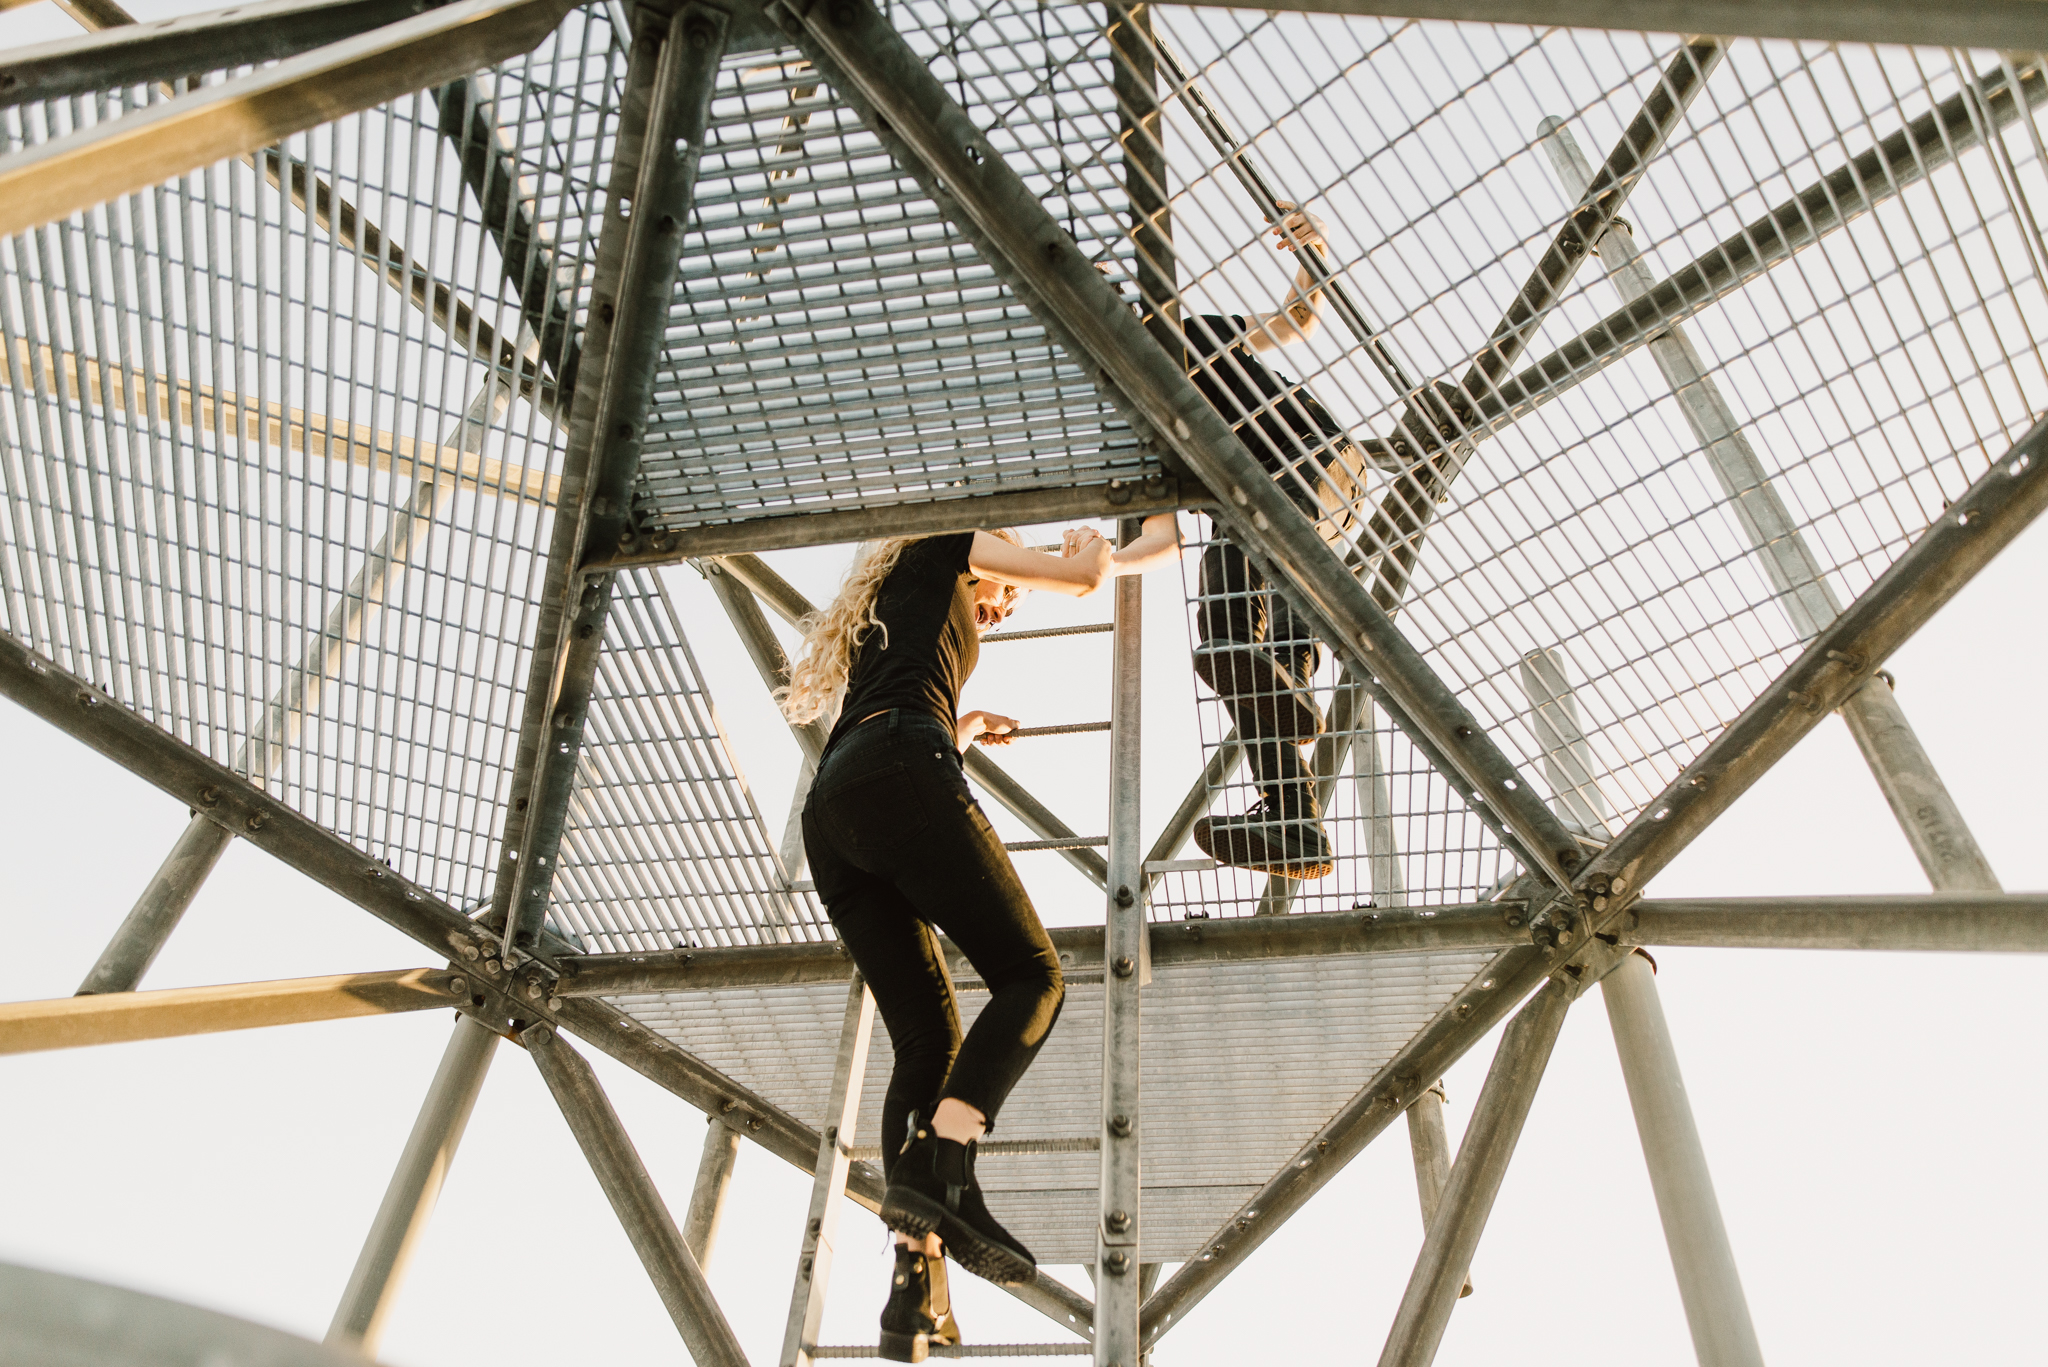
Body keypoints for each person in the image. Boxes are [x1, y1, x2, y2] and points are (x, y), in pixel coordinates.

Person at [782, 517, 1181, 1362]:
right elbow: (1077, 581)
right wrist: (1088, 555)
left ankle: (911, 1282)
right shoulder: (942, 541)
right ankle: (946, 1164)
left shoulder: (902, 604)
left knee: (928, 1038)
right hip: (895, 764)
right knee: (1032, 976)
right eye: (1000, 596)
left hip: (837, 809)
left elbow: (891, 703)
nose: (1002, 609)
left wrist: (959, 732)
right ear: (982, 551)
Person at [1177, 204, 1377, 881]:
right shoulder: (1137, 411)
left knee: (1232, 604)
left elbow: (1296, 321)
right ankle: (1294, 820)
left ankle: (1254, 656)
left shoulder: (1186, 333)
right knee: (1266, 671)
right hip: (1313, 504)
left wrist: (1312, 254)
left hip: (1304, 457)